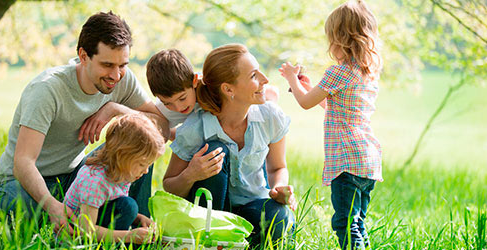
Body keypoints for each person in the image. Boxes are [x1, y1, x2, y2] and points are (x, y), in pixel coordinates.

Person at [0, 11, 168, 233]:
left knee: (139, 148)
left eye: (122, 64)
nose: (116, 75)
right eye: (107, 65)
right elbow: (23, 162)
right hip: (19, 184)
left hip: (75, 178)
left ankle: (139, 225)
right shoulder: (47, 90)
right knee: (25, 209)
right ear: (83, 56)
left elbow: (160, 127)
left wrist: (115, 110)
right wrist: (53, 207)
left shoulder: (122, 79)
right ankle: (89, 227)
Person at [162, 44, 296, 246]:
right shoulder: (195, 128)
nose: (265, 80)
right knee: (217, 149)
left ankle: (235, 242)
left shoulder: (270, 116)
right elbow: (169, 186)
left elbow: (278, 167)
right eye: (253, 76)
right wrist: (191, 174)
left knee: (280, 218)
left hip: (252, 206)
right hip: (210, 214)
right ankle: (215, 240)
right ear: (228, 89)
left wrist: (279, 188)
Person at [279, 1, 383, 249]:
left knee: (345, 224)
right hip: (367, 159)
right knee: (357, 223)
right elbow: (333, 106)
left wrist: (292, 78)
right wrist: (305, 86)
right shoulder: (365, 72)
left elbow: (305, 103)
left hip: (346, 160)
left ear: (340, 40)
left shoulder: (337, 72)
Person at [64, 114, 164, 244]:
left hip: (96, 225)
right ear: (122, 155)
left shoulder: (123, 173)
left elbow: (112, 205)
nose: (145, 171)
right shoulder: (95, 181)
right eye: (141, 164)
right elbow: (85, 230)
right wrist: (129, 236)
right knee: (129, 206)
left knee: (129, 206)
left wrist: (139, 219)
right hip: (77, 238)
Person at [146, 48, 279, 139]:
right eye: (168, 103)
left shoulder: (210, 86)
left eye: (182, 98)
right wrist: (184, 139)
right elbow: (161, 130)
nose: (178, 108)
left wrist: (270, 99)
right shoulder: (164, 110)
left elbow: (243, 90)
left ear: (194, 81)